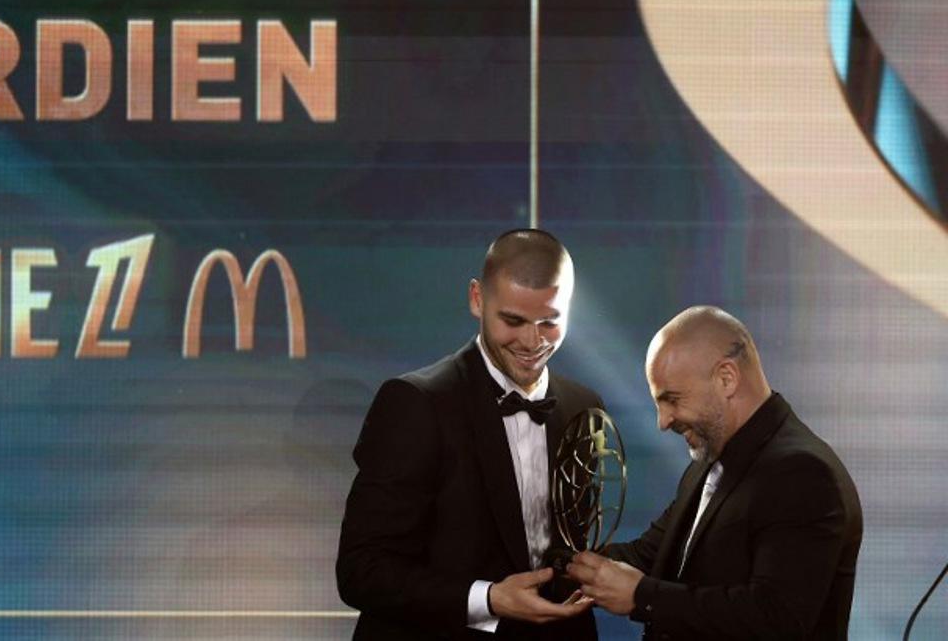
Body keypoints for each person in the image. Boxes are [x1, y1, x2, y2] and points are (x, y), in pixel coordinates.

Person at [337, 229, 601, 639]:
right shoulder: (415, 403)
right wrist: (490, 599)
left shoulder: (584, 407)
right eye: (513, 321)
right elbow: (363, 570)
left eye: (549, 322)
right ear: (477, 299)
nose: (532, 341)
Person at [567, 306, 863, 640]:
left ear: (727, 378)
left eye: (672, 399)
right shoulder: (708, 462)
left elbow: (776, 618)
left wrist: (641, 597)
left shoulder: (805, 474)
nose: (662, 422)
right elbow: (650, 556)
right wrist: (550, 566)